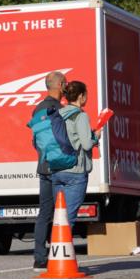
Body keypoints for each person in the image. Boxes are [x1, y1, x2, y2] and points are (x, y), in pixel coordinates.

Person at [49, 80, 98, 226]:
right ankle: (61, 247)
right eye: (86, 95)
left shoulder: (58, 114)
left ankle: (56, 246)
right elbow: (87, 144)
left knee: (59, 215)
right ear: (81, 96)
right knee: (68, 218)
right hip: (75, 172)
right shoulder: (80, 116)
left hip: (57, 170)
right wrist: (96, 137)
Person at [31, 71, 66, 272]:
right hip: (59, 166)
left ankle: (39, 258)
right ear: (60, 84)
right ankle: (60, 253)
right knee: (62, 211)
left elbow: (35, 141)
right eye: (65, 84)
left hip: (44, 165)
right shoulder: (59, 110)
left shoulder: (38, 109)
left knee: (44, 212)